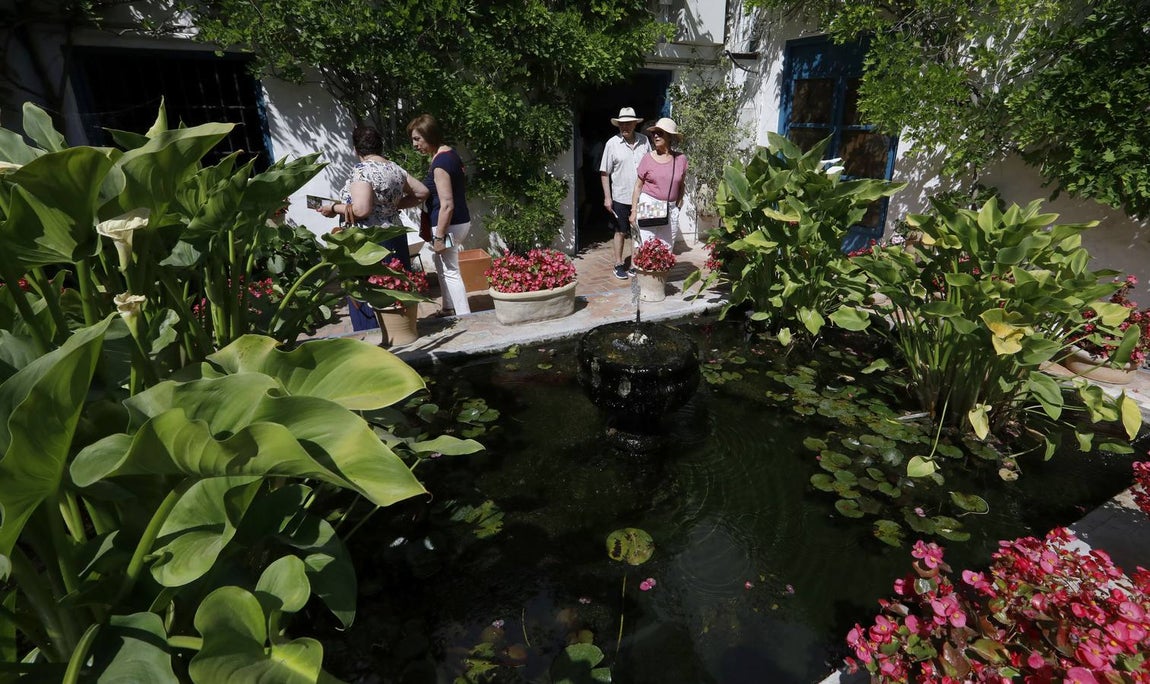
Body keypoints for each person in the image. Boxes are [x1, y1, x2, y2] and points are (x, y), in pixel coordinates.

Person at [316, 125, 428, 330]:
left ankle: (373, 336)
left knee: (368, 291)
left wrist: (333, 207)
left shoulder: (362, 171)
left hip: (370, 242)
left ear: (356, 149)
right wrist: (391, 205)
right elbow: (421, 192)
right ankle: (401, 331)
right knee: (396, 287)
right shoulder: (394, 168)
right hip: (395, 234)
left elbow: (361, 209)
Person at [408, 113, 472, 317]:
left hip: (449, 226)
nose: (415, 144)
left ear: (430, 135)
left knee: (451, 270)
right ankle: (448, 307)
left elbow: (446, 205)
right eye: (413, 139)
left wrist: (439, 237)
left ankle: (464, 317)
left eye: (417, 139)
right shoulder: (450, 155)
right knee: (441, 263)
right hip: (458, 223)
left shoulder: (441, 164)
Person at [599, 107, 650, 280]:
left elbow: (651, 166)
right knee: (620, 231)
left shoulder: (645, 141)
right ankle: (619, 263)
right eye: (622, 124)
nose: (624, 126)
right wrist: (607, 197)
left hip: (641, 196)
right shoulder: (611, 143)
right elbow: (604, 172)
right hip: (620, 195)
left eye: (628, 123)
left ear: (635, 124)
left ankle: (635, 264)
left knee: (637, 230)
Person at [630, 117, 688, 251]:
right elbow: (638, 186)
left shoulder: (681, 159)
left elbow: (681, 185)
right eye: (654, 133)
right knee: (647, 249)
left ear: (670, 137)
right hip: (650, 205)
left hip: (670, 208)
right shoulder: (648, 158)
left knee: (666, 251)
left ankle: (662, 274)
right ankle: (646, 273)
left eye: (660, 133)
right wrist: (633, 211)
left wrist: (677, 207)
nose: (655, 136)